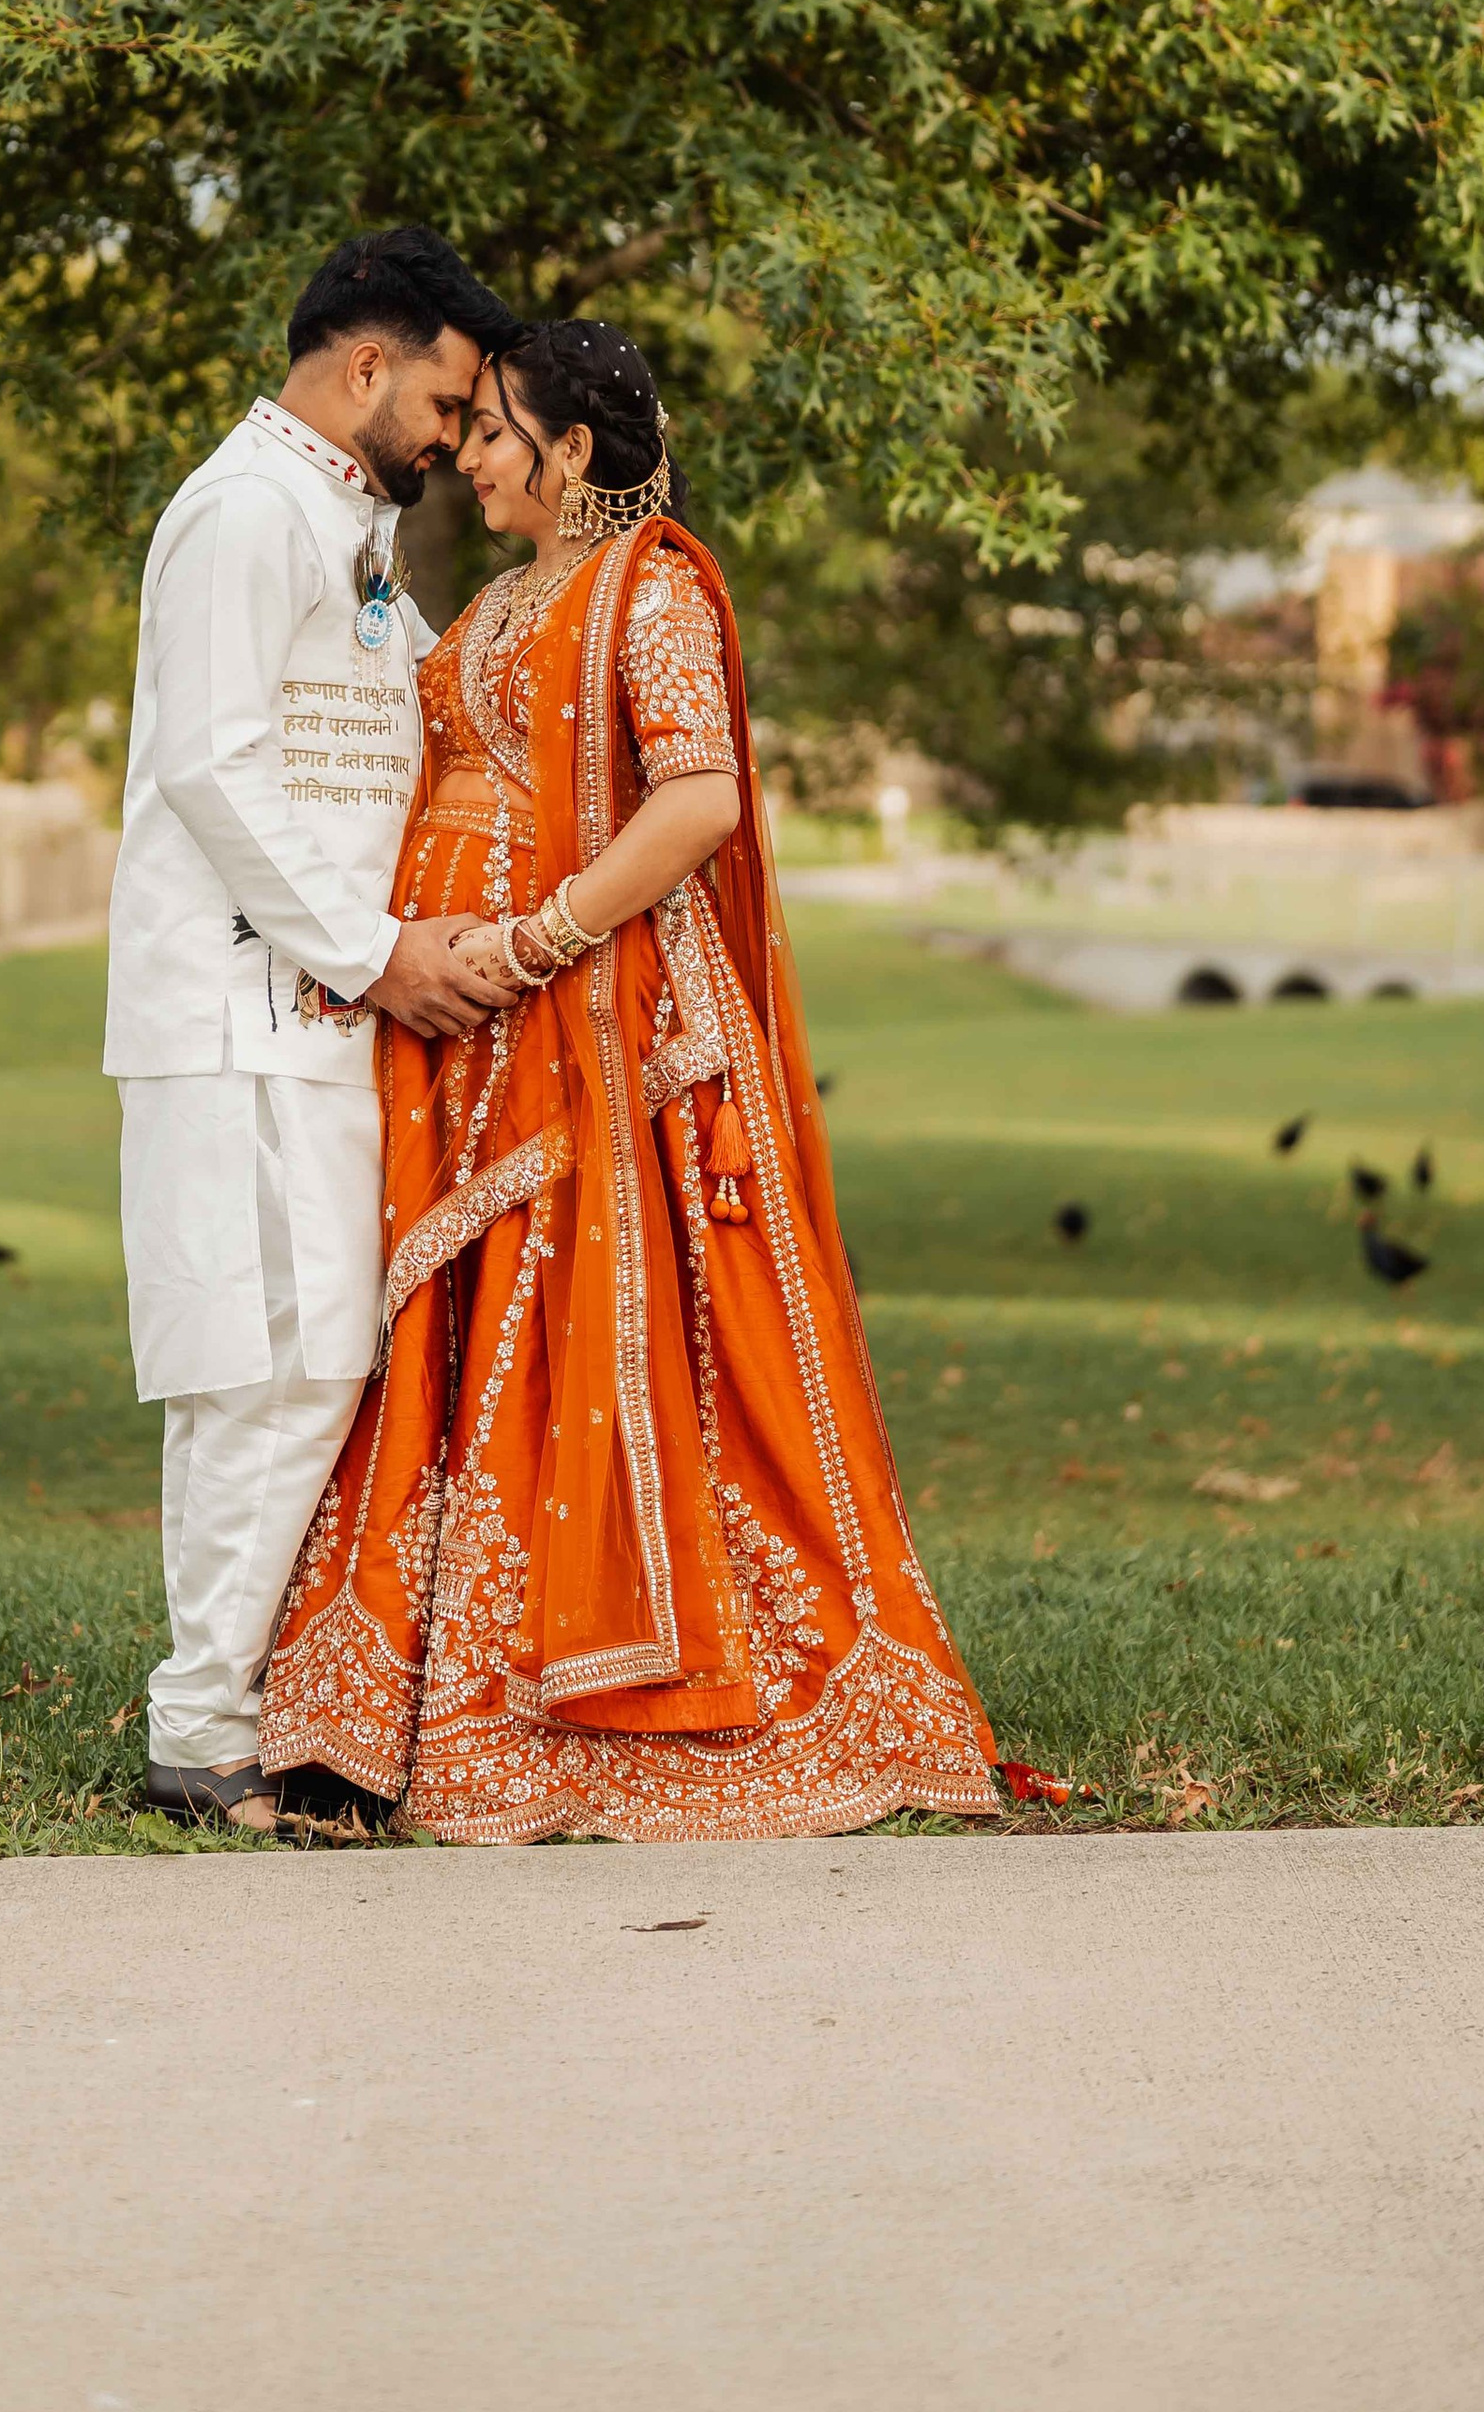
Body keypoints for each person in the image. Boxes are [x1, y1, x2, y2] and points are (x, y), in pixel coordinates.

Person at [259, 317, 1003, 1839]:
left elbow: (702, 797)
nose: (467, 455)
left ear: (574, 448)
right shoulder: (506, 597)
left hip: (602, 1026)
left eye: (493, 431)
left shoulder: (648, 587)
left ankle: (593, 1707)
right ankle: (386, 1715)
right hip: (467, 1031)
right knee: (459, 1344)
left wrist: (538, 938)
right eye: (468, 428)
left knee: (571, 1329)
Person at [108, 225, 522, 1829]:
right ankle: (201, 1732)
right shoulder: (241, 514)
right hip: (239, 1012)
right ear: (365, 366)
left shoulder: (345, 527)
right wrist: (373, 954)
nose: (454, 438)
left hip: (314, 1015)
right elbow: (210, 767)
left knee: (300, 1363)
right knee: (265, 1371)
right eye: (446, 402)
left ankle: (243, 1709)